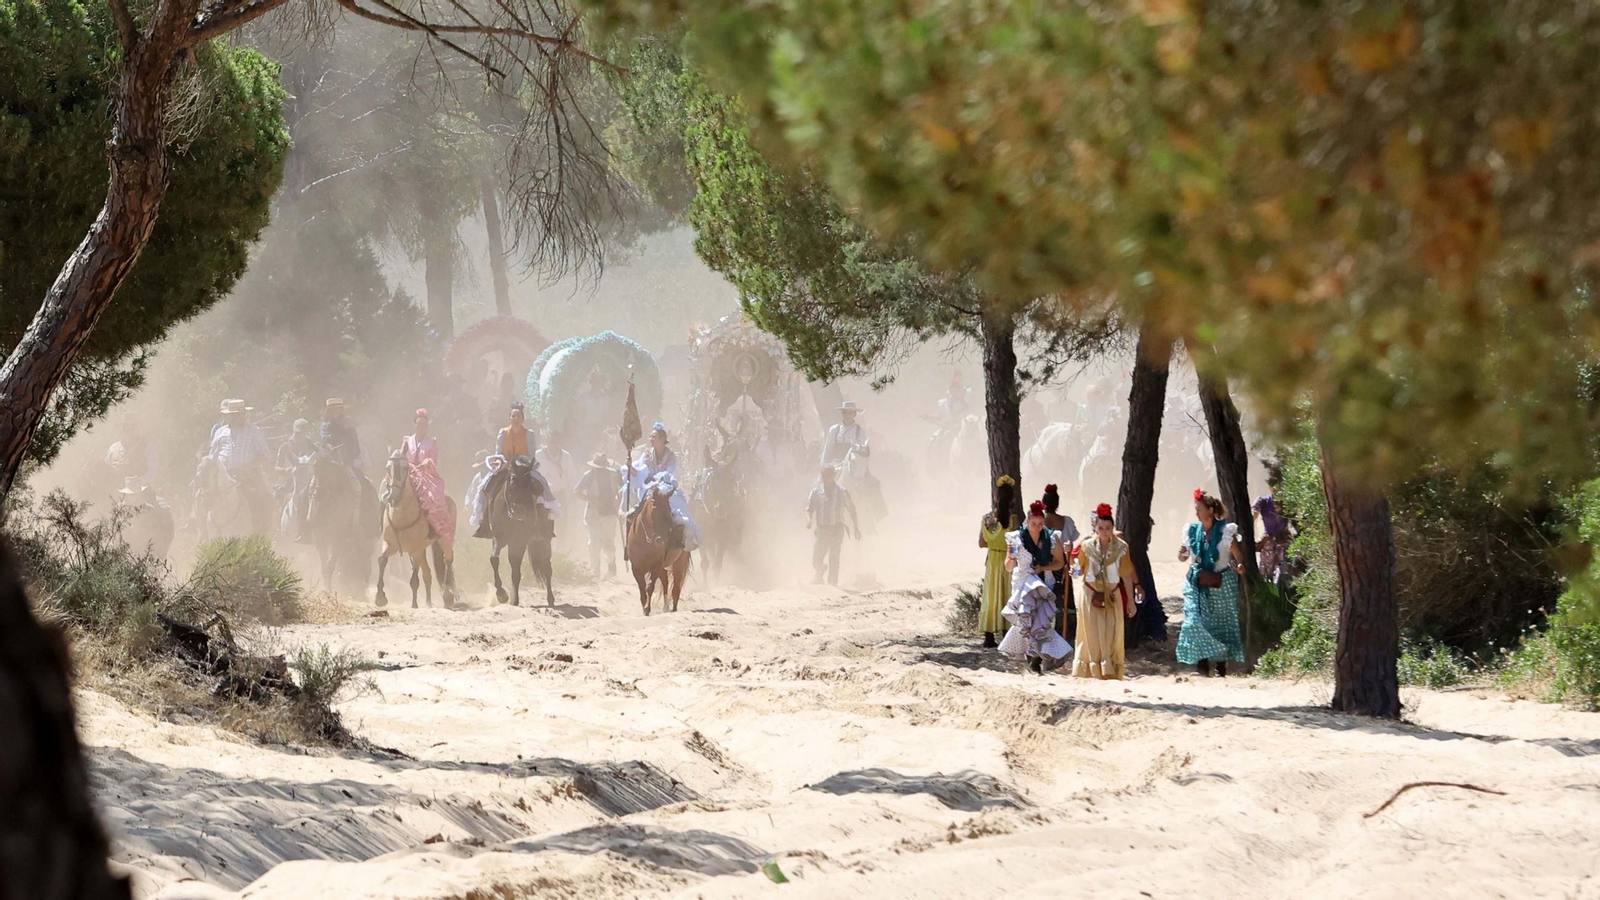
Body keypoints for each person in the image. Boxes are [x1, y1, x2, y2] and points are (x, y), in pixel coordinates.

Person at [1177, 489, 1247, 676]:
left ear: (1210, 510)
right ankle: (1201, 663)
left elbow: (1238, 555)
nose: (1196, 512)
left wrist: (1240, 565)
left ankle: (1220, 666)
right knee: (1194, 621)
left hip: (1221, 583)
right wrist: (1182, 553)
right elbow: (1183, 558)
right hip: (1196, 582)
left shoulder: (1226, 531)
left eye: (1199, 509)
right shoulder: (1191, 531)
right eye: (1196, 509)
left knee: (1220, 624)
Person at [1071, 503, 1141, 679]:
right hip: (1090, 593)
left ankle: (1109, 670)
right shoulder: (1087, 546)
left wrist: (1131, 601)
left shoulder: (1121, 548)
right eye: (1101, 528)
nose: (1104, 531)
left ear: (1112, 528)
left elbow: (1126, 575)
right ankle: (1090, 671)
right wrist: (1074, 568)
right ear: (1095, 527)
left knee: (1111, 632)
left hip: (1112, 594)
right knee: (1091, 634)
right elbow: (1079, 570)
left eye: (1107, 528)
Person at [1001, 501, 1071, 673]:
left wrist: (1043, 567)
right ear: (1027, 521)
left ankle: (1037, 660)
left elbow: (1059, 562)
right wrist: (1011, 556)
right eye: (1034, 524)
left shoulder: (1052, 538)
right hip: (1022, 584)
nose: (1037, 527)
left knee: (1042, 621)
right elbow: (1008, 567)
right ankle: (1029, 655)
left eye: (1040, 524)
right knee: (1025, 620)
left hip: (1043, 583)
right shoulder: (1016, 538)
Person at [624, 422, 701, 551]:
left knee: (677, 510)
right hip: (649, 488)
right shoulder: (647, 455)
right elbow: (640, 472)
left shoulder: (671, 456)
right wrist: (630, 467)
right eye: (651, 436)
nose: (651, 439)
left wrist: (658, 481)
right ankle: (632, 544)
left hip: (666, 487)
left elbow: (669, 472)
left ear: (662, 440)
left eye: (653, 437)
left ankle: (683, 538)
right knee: (634, 513)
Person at [474, 402, 541, 539]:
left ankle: (542, 524)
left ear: (523, 419)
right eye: (513, 416)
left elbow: (531, 454)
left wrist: (520, 463)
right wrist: (501, 461)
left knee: (542, 487)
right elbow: (499, 452)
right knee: (485, 488)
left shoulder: (529, 434)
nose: (516, 419)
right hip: (505, 467)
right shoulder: (503, 433)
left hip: (523, 469)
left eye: (518, 416)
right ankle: (484, 522)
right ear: (509, 418)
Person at [206, 398, 272, 533]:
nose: (241, 417)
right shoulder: (220, 432)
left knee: (265, 496)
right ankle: (199, 524)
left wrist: (250, 467)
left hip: (248, 475)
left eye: (242, 414)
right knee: (202, 493)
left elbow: (264, 454)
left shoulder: (254, 431)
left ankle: (262, 529)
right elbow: (212, 456)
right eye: (237, 414)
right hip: (223, 475)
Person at [403, 409, 455, 544]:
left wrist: (427, 462)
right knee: (390, 488)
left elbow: (434, 459)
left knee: (432, 497)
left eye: (424, 424)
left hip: (425, 474)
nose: (422, 427)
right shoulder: (407, 441)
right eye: (419, 424)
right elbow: (402, 457)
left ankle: (433, 528)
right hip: (408, 473)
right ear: (414, 425)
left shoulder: (431, 442)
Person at [978, 476, 1017, 648]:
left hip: (993, 560)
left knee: (991, 596)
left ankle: (989, 635)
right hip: (1008, 559)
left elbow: (981, 543)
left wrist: (993, 544)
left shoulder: (987, 519)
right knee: (1007, 593)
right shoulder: (1013, 520)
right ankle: (1007, 632)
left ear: (996, 498)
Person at [806, 464, 860, 585]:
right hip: (822, 531)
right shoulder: (816, 492)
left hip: (837, 530)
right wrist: (809, 520)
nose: (826, 478)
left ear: (834, 475)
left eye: (828, 476)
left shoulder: (842, 492)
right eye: (823, 476)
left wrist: (856, 528)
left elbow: (852, 510)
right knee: (816, 559)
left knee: (834, 558)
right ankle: (819, 574)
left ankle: (832, 585)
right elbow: (809, 509)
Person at [1040, 483, 1079, 639]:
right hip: (1061, 566)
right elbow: (1072, 542)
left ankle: (1044, 631)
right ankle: (1065, 633)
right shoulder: (1067, 522)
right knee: (1063, 600)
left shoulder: (1036, 522)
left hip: (1044, 565)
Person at [574, 452, 621, 576]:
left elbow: (622, 490)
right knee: (594, 542)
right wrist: (591, 499)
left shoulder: (614, 475)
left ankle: (611, 567)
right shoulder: (588, 475)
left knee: (608, 543)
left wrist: (619, 504)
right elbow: (577, 491)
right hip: (593, 513)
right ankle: (595, 570)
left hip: (610, 512)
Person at [276, 418, 319, 538]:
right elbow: (276, 467)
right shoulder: (285, 447)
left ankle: (315, 530)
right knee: (278, 500)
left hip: (309, 481)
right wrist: (285, 470)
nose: (299, 435)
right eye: (297, 433)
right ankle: (277, 530)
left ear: (306, 432)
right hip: (288, 481)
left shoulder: (313, 447)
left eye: (302, 433)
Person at [1252, 462, 1294, 583]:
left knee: (1286, 573)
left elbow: (1297, 522)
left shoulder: (1289, 502)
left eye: (1278, 484)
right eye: (1272, 484)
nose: (1275, 488)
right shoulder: (1262, 501)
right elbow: (1252, 515)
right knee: (1266, 575)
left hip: (1285, 542)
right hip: (1268, 542)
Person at [104, 411, 160, 492]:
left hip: (141, 494)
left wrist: (139, 480)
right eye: (124, 426)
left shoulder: (148, 448)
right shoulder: (113, 448)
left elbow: (153, 472)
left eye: (131, 426)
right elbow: (106, 471)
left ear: (137, 427)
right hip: (116, 495)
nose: (127, 429)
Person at [320, 398, 366, 478]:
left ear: (341, 410)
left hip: (346, 460)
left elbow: (353, 441)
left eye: (335, 409)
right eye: (330, 410)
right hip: (328, 459)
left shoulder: (349, 423)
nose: (332, 412)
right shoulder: (325, 425)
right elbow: (325, 438)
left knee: (354, 480)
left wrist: (348, 430)